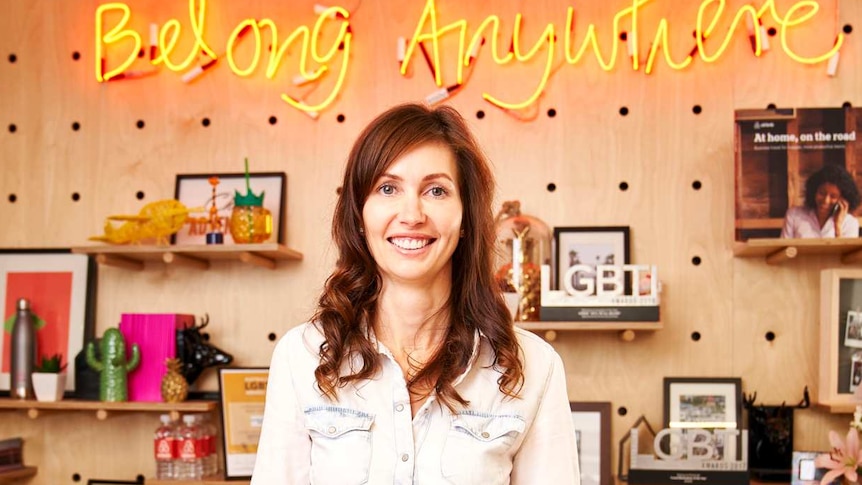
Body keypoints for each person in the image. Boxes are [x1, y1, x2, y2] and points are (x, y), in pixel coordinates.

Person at [251, 103, 579, 484]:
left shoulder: (534, 366)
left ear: (466, 218)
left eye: (436, 190)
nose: (411, 214)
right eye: (387, 188)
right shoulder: (301, 355)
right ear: (359, 214)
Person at [781, 164, 861, 238]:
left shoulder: (850, 223)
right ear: (814, 191)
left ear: (843, 200)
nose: (826, 200)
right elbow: (784, 249)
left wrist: (837, 227)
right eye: (822, 193)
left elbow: (846, 252)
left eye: (833, 196)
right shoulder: (794, 215)